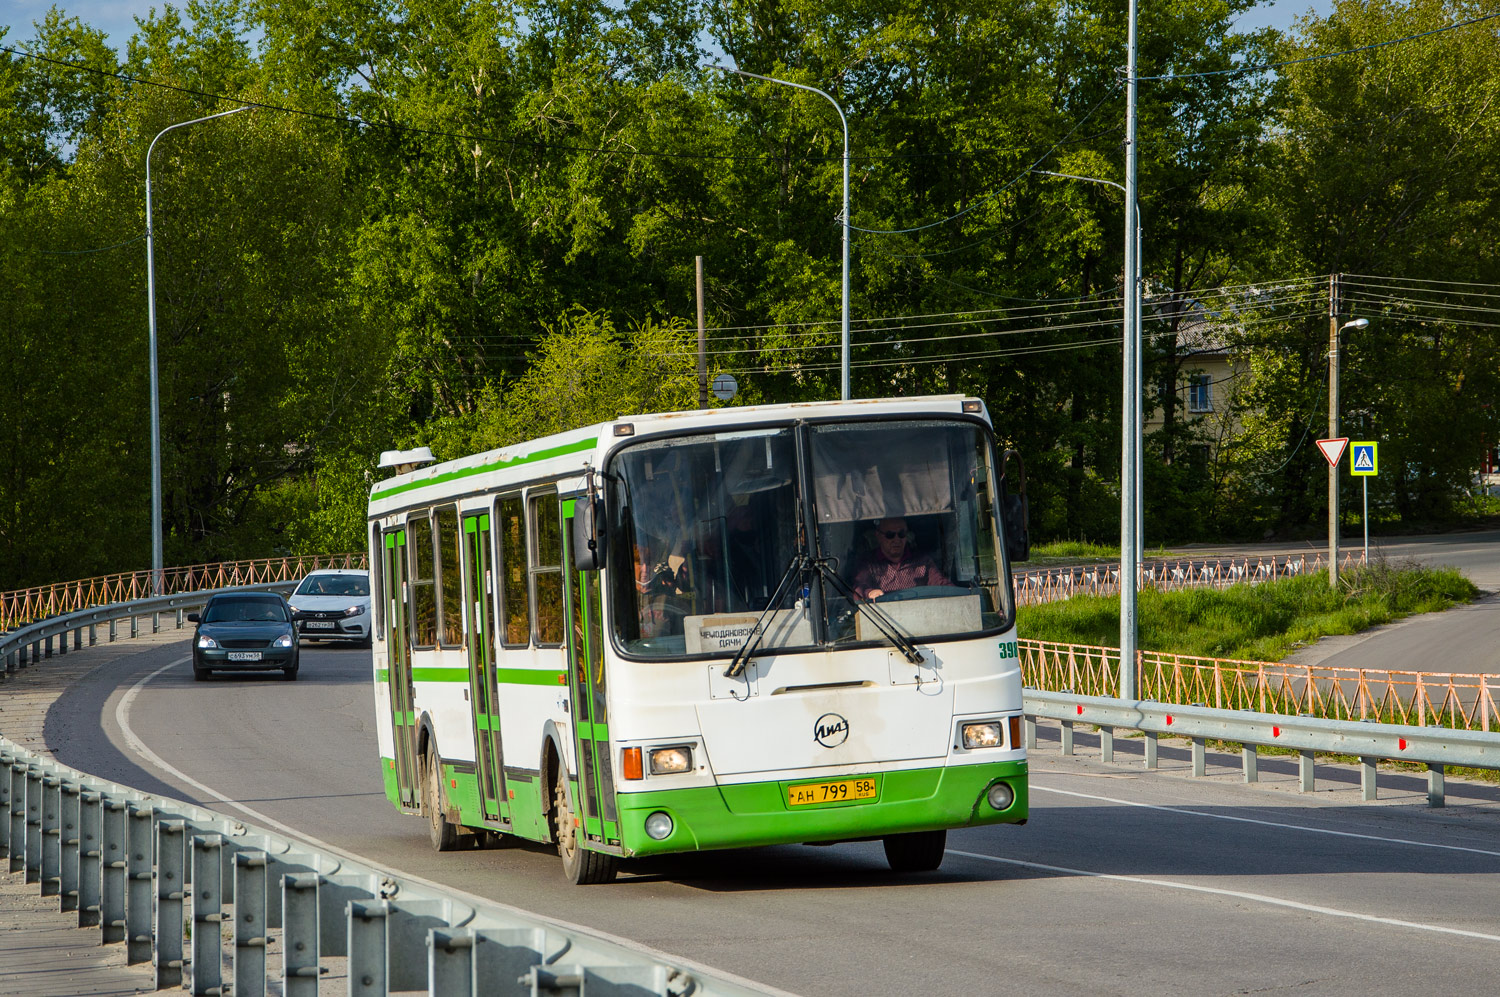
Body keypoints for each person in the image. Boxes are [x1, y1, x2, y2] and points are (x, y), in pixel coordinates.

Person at [851, 516, 951, 600]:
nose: (897, 539)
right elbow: (859, 587)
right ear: (878, 536)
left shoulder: (923, 561)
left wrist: (961, 594)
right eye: (890, 535)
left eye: (901, 534)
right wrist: (870, 593)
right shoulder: (868, 563)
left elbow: (941, 585)